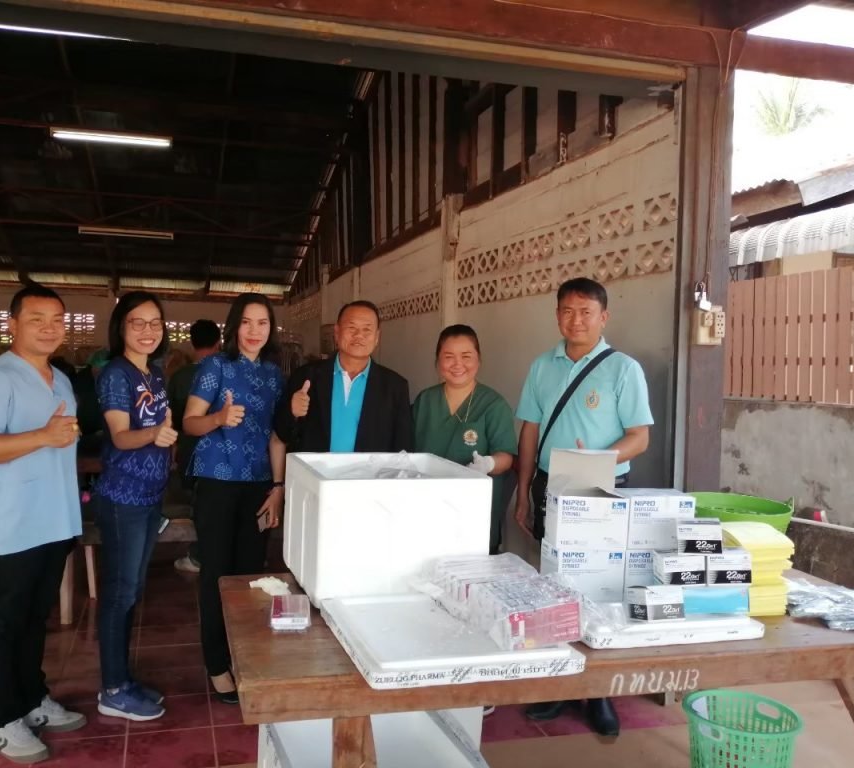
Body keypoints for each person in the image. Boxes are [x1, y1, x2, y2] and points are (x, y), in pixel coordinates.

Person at [514, 277, 653, 737]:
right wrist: (522, 490)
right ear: (557, 316)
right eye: (568, 311)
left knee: (599, 587)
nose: (576, 320)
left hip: (601, 489)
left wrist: (596, 460)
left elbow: (639, 437)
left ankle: (599, 693)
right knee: (555, 584)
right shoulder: (541, 366)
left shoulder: (624, 369)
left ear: (603, 317)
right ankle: (559, 681)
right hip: (550, 486)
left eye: (586, 312)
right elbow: (530, 431)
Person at [0, 283, 87, 764]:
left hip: (54, 518)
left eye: (57, 319)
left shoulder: (60, 380)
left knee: (36, 618)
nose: (49, 328)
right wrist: (42, 436)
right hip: (12, 521)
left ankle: (33, 698)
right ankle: (2, 718)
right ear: (12, 324)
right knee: (5, 621)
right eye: (37, 319)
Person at [182, 293, 285, 705]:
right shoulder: (216, 366)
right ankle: (217, 664)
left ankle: (244, 656)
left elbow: (276, 436)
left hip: (257, 485)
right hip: (217, 481)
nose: (255, 331)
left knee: (249, 576)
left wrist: (277, 488)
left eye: (263, 323)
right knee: (217, 574)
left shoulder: (274, 374)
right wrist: (219, 418)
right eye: (247, 322)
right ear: (234, 326)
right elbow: (190, 422)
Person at [91, 291, 177, 722]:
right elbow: (121, 436)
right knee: (119, 593)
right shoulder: (115, 375)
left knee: (131, 591)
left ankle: (122, 679)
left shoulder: (154, 373)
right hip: (122, 498)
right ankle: (112, 689)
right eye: (137, 322)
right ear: (121, 327)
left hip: (148, 498)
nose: (148, 331)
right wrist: (155, 436)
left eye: (155, 322)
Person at [412, 325, 517, 555]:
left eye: (466, 356)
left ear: (479, 360)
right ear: (437, 361)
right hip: (428, 509)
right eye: (448, 357)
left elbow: (506, 456)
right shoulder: (425, 401)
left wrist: (488, 464)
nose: (457, 364)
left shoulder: (493, 404)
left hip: (474, 514)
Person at [274, 301, 412, 453]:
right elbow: (282, 435)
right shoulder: (306, 377)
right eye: (351, 328)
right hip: (315, 469)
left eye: (367, 329)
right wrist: (291, 412)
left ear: (377, 337)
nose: (359, 335)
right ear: (337, 332)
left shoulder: (395, 387)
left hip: (369, 469)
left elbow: (403, 450)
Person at [169, 319, 222, 574]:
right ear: (219, 342)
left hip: (190, 449)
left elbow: (172, 419)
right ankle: (211, 554)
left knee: (198, 503)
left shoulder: (180, 377)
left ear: (191, 343)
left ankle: (200, 555)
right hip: (221, 453)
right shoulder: (226, 371)